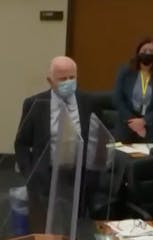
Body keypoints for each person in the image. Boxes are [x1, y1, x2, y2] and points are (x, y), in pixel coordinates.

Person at [14, 56, 97, 230]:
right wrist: (30, 174)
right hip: (45, 176)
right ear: (50, 81)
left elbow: (96, 139)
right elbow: (21, 143)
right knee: (43, 227)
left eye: (72, 77)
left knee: (72, 227)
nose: (69, 82)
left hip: (77, 177)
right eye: (63, 78)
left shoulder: (88, 102)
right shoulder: (35, 104)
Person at [113, 38, 153, 143]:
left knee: (147, 158)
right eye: (144, 51)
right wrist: (134, 123)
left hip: (150, 127)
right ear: (138, 52)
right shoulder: (125, 71)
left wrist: (144, 121)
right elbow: (117, 99)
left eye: (152, 51)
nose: (147, 53)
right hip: (126, 125)